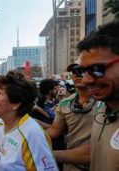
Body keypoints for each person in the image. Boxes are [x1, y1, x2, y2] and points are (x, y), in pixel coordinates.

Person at [77, 20, 119, 171]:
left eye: (97, 68)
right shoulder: (102, 107)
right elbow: (97, 151)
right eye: (83, 71)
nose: (85, 80)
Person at [45, 62, 98, 171]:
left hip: (99, 164)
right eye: (74, 72)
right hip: (71, 165)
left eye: (81, 71)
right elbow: (54, 131)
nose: (77, 75)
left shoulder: (105, 101)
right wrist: (28, 135)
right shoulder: (65, 103)